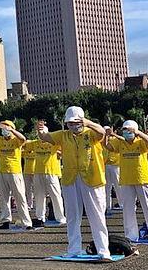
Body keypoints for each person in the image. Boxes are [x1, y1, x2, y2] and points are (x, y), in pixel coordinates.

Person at [37, 107, 111, 260]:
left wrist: (88, 123)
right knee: (72, 216)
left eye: (76, 122)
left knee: (96, 215)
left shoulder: (91, 133)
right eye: (69, 123)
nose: (72, 126)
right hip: (71, 178)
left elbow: (102, 133)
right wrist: (40, 130)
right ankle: (74, 249)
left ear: (82, 121)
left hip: (92, 178)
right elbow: (45, 137)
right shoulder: (63, 135)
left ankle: (103, 251)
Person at [104, 121, 148, 244]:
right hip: (126, 180)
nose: (127, 132)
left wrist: (138, 133)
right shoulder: (120, 142)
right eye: (125, 130)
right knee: (128, 210)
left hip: (142, 179)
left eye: (129, 130)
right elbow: (108, 147)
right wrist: (106, 135)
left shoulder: (141, 142)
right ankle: (131, 236)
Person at [0, 120, 32, 230]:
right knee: (4, 198)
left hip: (14, 172)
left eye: (6, 128)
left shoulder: (16, 140)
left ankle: (26, 222)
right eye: (3, 128)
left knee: (20, 197)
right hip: (2, 172)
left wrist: (12, 131)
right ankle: (6, 220)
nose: (4, 130)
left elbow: (23, 139)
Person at [27, 126, 65, 227]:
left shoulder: (54, 143)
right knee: (39, 196)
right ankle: (40, 217)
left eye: (43, 133)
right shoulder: (35, 143)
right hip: (38, 172)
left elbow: (64, 149)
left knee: (56, 196)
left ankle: (60, 217)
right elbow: (23, 144)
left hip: (51, 172)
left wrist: (59, 153)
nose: (41, 135)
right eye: (39, 133)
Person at [103, 142, 121, 214]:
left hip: (116, 165)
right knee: (106, 187)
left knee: (118, 186)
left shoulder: (117, 139)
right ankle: (107, 206)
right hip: (105, 164)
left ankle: (121, 204)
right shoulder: (103, 139)